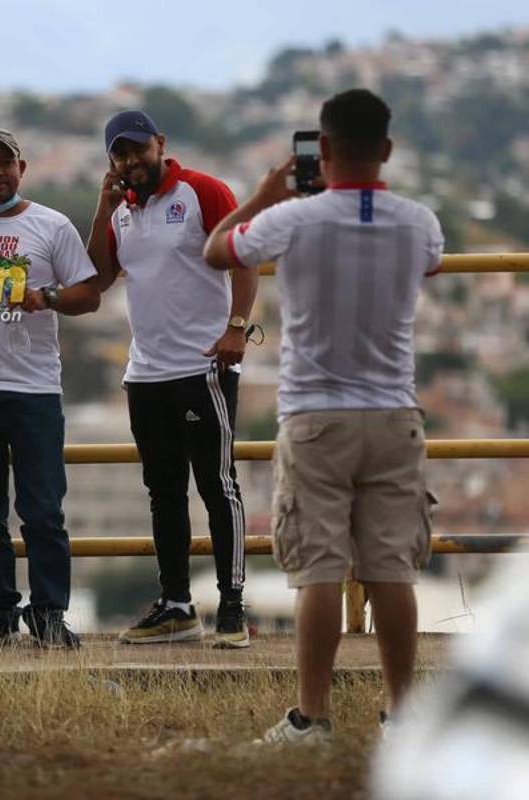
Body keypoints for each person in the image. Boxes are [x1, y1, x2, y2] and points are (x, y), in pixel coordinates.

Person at [203, 88, 444, 742]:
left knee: (319, 573)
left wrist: (261, 198)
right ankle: (402, 715)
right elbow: (432, 262)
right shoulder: (419, 221)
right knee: (391, 569)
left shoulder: (295, 220)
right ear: (387, 149)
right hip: (394, 413)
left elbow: (218, 252)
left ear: (324, 149)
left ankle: (313, 718)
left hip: (315, 416)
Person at [86, 110, 256, 648]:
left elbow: (246, 260)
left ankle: (232, 607)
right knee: (163, 492)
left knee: (216, 484)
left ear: (160, 143)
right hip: (146, 373)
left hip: (202, 367)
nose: (131, 161)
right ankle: (177, 606)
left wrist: (236, 328)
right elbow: (98, 277)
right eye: (120, 154)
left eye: (138, 149)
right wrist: (102, 208)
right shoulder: (121, 211)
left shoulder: (202, 191)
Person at [0, 127, 100, 649]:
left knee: (44, 510)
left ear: (22, 169)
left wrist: (46, 296)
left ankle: (50, 614)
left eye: (7, 163)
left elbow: (88, 295)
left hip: (35, 389)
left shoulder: (51, 225)